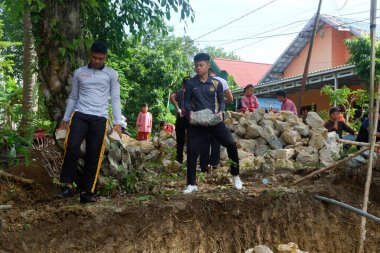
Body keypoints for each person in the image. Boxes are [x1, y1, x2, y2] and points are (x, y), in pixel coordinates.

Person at [57, 41, 122, 204]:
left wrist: (118, 123)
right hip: (80, 115)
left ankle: (86, 192)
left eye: (101, 58)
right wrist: (65, 120)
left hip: (100, 118)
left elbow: (115, 99)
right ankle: (67, 185)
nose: (98, 61)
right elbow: (73, 97)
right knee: (71, 147)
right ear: (90, 54)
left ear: (105, 57)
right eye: (95, 57)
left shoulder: (112, 74)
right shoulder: (79, 73)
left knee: (94, 154)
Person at [184, 53, 243, 194]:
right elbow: (186, 102)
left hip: (214, 121)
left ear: (208, 65)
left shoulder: (217, 83)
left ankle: (236, 176)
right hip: (197, 122)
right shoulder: (190, 83)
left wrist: (221, 111)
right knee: (192, 151)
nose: (197, 68)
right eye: (196, 65)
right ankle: (191, 184)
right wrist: (190, 112)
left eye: (201, 65)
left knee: (230, 144)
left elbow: (222, 101)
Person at [199, 68, 235, 172]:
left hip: (203, 115)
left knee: (204, 139)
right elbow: (231, 99)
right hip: (217, 114)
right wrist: (220, 99)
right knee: (216, 140)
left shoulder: (198, 81)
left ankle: (204, 165)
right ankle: (214, 163)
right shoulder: (221, 81)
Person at [170, 77, 190, 164]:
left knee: (180, 140)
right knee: (191, 140)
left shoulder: (179, 92)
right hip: (190, 118)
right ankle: (190, 160)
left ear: (183, 84)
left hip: (181, 117)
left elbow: (172, 97)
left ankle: (179, 159)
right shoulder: (193, 91)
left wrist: (178, 108)